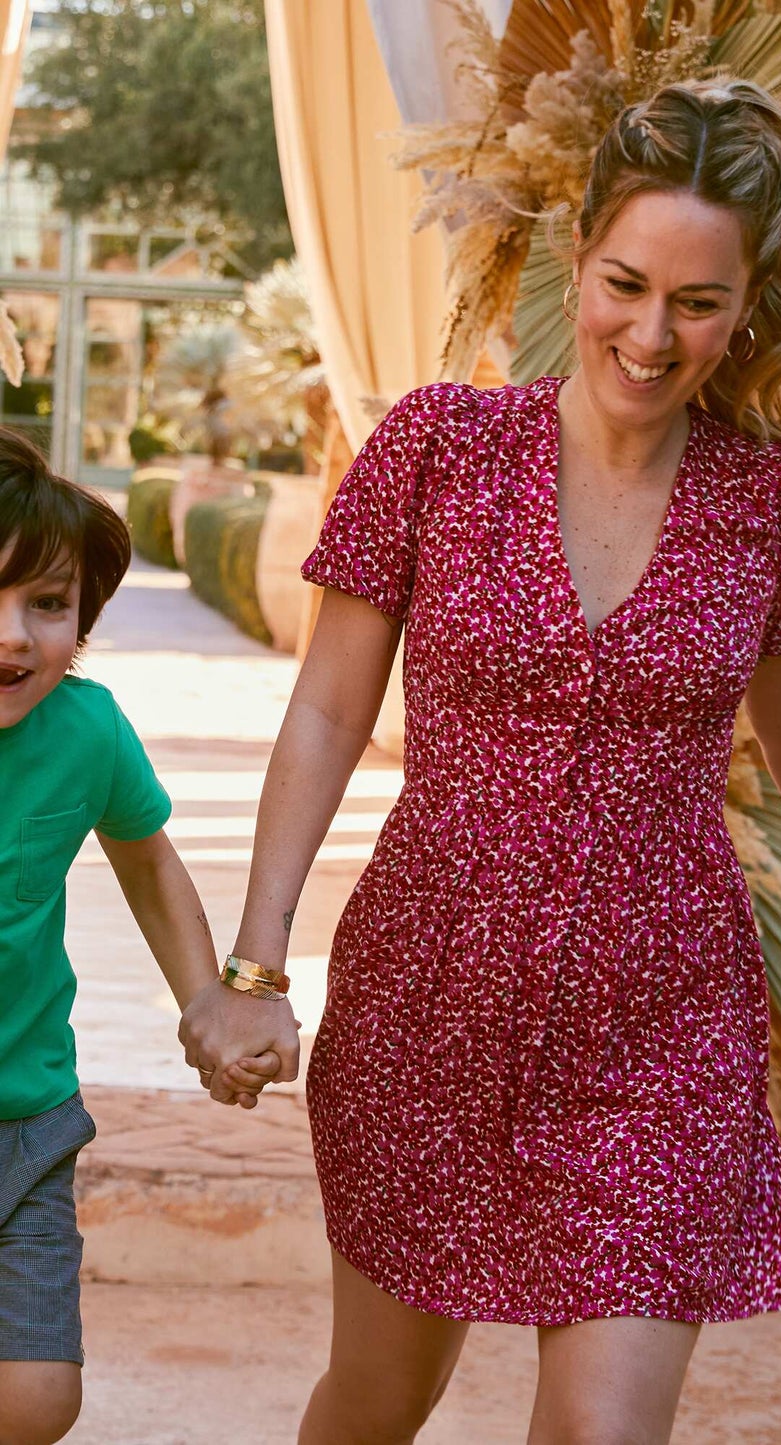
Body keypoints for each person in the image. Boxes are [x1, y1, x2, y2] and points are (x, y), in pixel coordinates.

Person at [181, 76, 781, 1444]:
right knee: (381, 1401)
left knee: (602, 1433)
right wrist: (257, 968)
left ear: (746, 306)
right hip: (432, 996)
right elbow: (327, 711)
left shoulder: (771, 503)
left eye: (698, 300)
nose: (651, 332)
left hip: (661, 1015)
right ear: (578, 260)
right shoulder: (439, 451)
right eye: (627, 283)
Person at [0, 429, 288, 1445]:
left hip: (27, 1120)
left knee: (37, 1398)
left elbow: (148, 857)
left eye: (47, 601)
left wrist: (208, 994)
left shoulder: (87, 729)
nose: (17, 635)